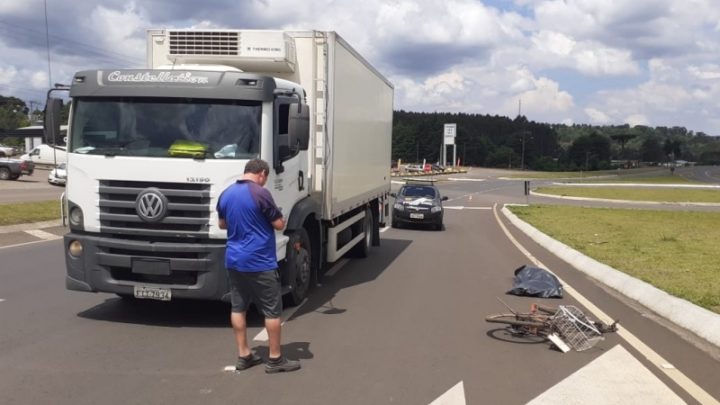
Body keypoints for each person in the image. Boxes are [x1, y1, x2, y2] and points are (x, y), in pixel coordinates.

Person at [217, 158, 301, 373]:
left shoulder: (226, 193)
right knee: (272, 310)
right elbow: (279, 224)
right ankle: (274, 359)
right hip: (260, 261)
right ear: (261, 173)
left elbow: (222, 224)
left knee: (238, 307)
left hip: (234, 260)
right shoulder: (260, 193)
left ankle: (244, 355)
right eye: (266, 177)